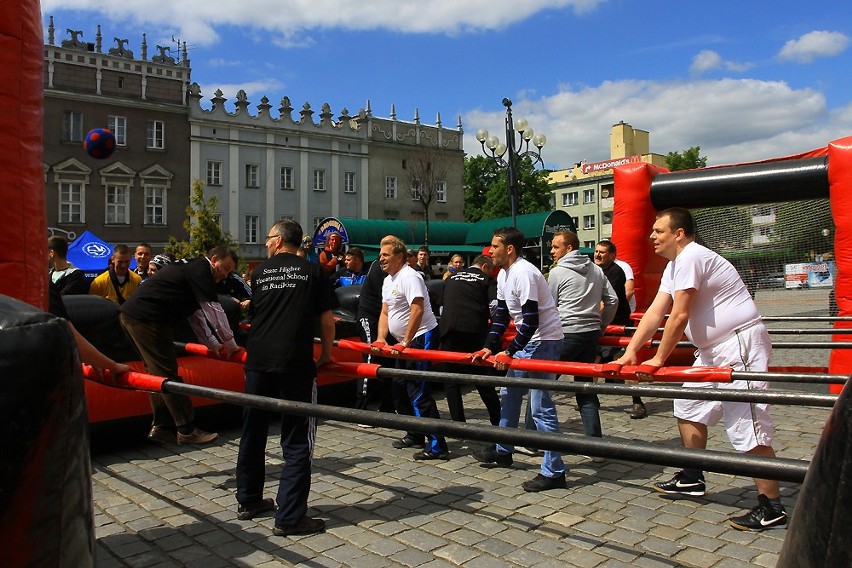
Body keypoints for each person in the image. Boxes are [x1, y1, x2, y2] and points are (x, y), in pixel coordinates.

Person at [614, 207, 787, 532]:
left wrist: (657, 359)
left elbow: (679, 316)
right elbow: (654, 312)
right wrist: (631, 352)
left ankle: (772, 507)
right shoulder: (675, 265)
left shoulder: (692, 256)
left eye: (658, 231)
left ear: (678, 234)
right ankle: (692, 477)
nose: (652, 235)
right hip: (712, 351)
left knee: (747, 425)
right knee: (689, 406)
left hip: (739, 345)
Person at [235, 219, 336, 537]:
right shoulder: (313, 271)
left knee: (253, 431)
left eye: (268, 238)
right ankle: (290, 516)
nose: (265, 243)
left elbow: (259, 311)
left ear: (279, 241)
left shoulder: (260, 272)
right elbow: (327, 320)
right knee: (296, 438)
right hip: (293, 360)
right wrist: (327, 355)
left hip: (258, 358)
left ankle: (249, 500)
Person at [471, 227, 567, 492]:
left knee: (541, 407)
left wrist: (509, 351)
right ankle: (504, 449)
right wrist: (489, 347)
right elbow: (501, 316)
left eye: (495, 247)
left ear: (509, 249)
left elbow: (531, 320)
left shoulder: (524, 272)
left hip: (544, 342)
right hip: (529, 342)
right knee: (509, 394)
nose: (490, 251)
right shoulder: (504, 274)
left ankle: (554, 471)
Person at [118, 246, 242, 446]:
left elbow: (196, 314)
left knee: (155, 374)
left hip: (135, 316)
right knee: (167, 372)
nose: (224, 275)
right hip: (148, 318)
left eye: (229, 272)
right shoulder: (202, 270)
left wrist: (211, 343)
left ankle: (163, 426)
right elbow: (213, 309)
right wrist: (231, 344)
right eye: (224, 268)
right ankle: (187, 428)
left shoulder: (193, 269)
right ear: (214, 259)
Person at [370, 235, 449, 460]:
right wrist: (380, 338)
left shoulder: (410, 276)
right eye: (380, 254)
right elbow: (385, 313)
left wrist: (405, 342)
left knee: (419, 392)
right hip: (403, 341)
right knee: (398, 386)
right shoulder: (388, 280)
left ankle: (438, 445)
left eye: (385, 255)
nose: (381, 259)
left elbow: (417, 309)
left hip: (421, 337)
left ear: (399, 257)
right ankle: (415, 433)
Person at [548, 230, 618, 441]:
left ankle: (532, 439)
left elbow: (550, 308)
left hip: (566, 333)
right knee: (585, 388)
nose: (551, 251)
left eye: (555, 247)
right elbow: (613, 300)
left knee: (543, 385)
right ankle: (594, 443)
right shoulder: (596, 270)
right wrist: (602, 324)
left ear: (569, 248)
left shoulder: (557, 272)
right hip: (589, 335)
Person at [438, 255, 501, 425]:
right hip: (474, 332)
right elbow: (494, 306)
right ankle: (498, 420)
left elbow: (442, 307)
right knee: (481, 379)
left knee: (451, 381)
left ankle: (458, 423)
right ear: (485, 267)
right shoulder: (486, 279)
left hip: (449, 330)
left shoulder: (451, 278)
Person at [595, 239, 647, 419]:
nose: (597, 254)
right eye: (596, 251)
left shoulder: (616, 271)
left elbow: (608, 301)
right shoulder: (595, 271)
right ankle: (589, 398)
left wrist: (593, 318)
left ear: (612, 255)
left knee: (624, 360)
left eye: (602, 252)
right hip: (602, 323)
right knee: (594, 358)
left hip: (618, 323)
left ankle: (637, 402)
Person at [353, 254, 395, 418]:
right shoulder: (379, 267)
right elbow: (388, 296)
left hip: (385, 318)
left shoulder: (395, 270)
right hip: (370, 316)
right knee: (371, 358)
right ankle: (361, 409)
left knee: (388, 361)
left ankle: (388, 405)